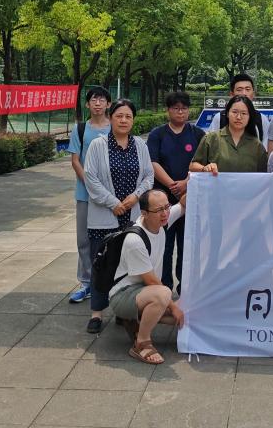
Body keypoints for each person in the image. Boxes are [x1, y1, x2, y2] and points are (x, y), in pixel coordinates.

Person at [82, 98, 155, 334]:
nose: (124, 120)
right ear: (110, 118)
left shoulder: (140, 145)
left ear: (133, 120)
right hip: (105, 216)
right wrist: (113, 203)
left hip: (132, 217)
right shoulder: (98, 145)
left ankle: (124, 312)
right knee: (102, 263)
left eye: (128, 116)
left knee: (129, 266)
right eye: (119, 116)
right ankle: (96, 312)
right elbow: (90, 178)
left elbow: (149, 176)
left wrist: (136, 197)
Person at [108, 189, 186, 365]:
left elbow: (183, 204)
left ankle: (134, 320)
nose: (165, 213)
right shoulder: (135, 240)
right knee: (164, 295)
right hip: (123, 295)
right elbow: (151, 281)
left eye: (167, 207)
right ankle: (141, 342)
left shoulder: (161, 220)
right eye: (159, 210)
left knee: (187, 312)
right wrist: (173, 307)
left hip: (144, 291)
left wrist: (201, 178)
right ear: (144, 213)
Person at [146, 91, 204, 290]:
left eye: (184, 108)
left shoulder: (198, 134)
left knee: (187, 244)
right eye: (176, 108)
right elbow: (153, 162)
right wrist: (173, 184)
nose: (180, 112)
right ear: (168, 110)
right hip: (162, 201)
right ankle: (164, 286)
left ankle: (185, 287)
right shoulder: (157, 134)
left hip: (190, 198)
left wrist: (186, 183)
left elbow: (203, 163)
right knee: (165, 244)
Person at [65, 86, 111, 304]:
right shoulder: (81, 129)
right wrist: (91, 186)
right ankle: (86, 283)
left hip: (111, 195)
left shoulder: (115, 126)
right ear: (87, 104)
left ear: (108, 104)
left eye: (102, 100)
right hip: (85, 194)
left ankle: (108, 282)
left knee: (110, 239)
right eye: (94, 100)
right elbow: (76, 160)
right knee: (83, 239)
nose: (98, 103)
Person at [191, 95, 269, 173]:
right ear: (227, 113)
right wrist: (204, 168)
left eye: (244, 113)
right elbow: (193, 165)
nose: (238, 117)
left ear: (250, 117)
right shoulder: (211, 139)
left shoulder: (257, 145)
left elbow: (263, 175)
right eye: (234, 112)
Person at [208, 72, 271, 148]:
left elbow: (265, 148)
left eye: (248, 89)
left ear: (253, 94)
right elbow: (211, 145)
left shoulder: (262, 119)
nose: (244, 93)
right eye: (239, 90)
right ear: (232, 95)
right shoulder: (220, 118)